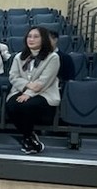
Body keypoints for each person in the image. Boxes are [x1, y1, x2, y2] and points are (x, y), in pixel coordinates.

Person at [6, 26, 60, 154]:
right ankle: (29, 137)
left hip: (44, 93)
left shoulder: (52, 57)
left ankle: (28, 139)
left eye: (36, 37)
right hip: (20, 90)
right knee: (11, 105)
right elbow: (13, 76)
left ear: (43, 39)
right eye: (29, 36)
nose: (31, 39)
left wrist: (29, 94)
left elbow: (44, 81)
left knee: (26, 105)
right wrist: (27, 86)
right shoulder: (19, 57)